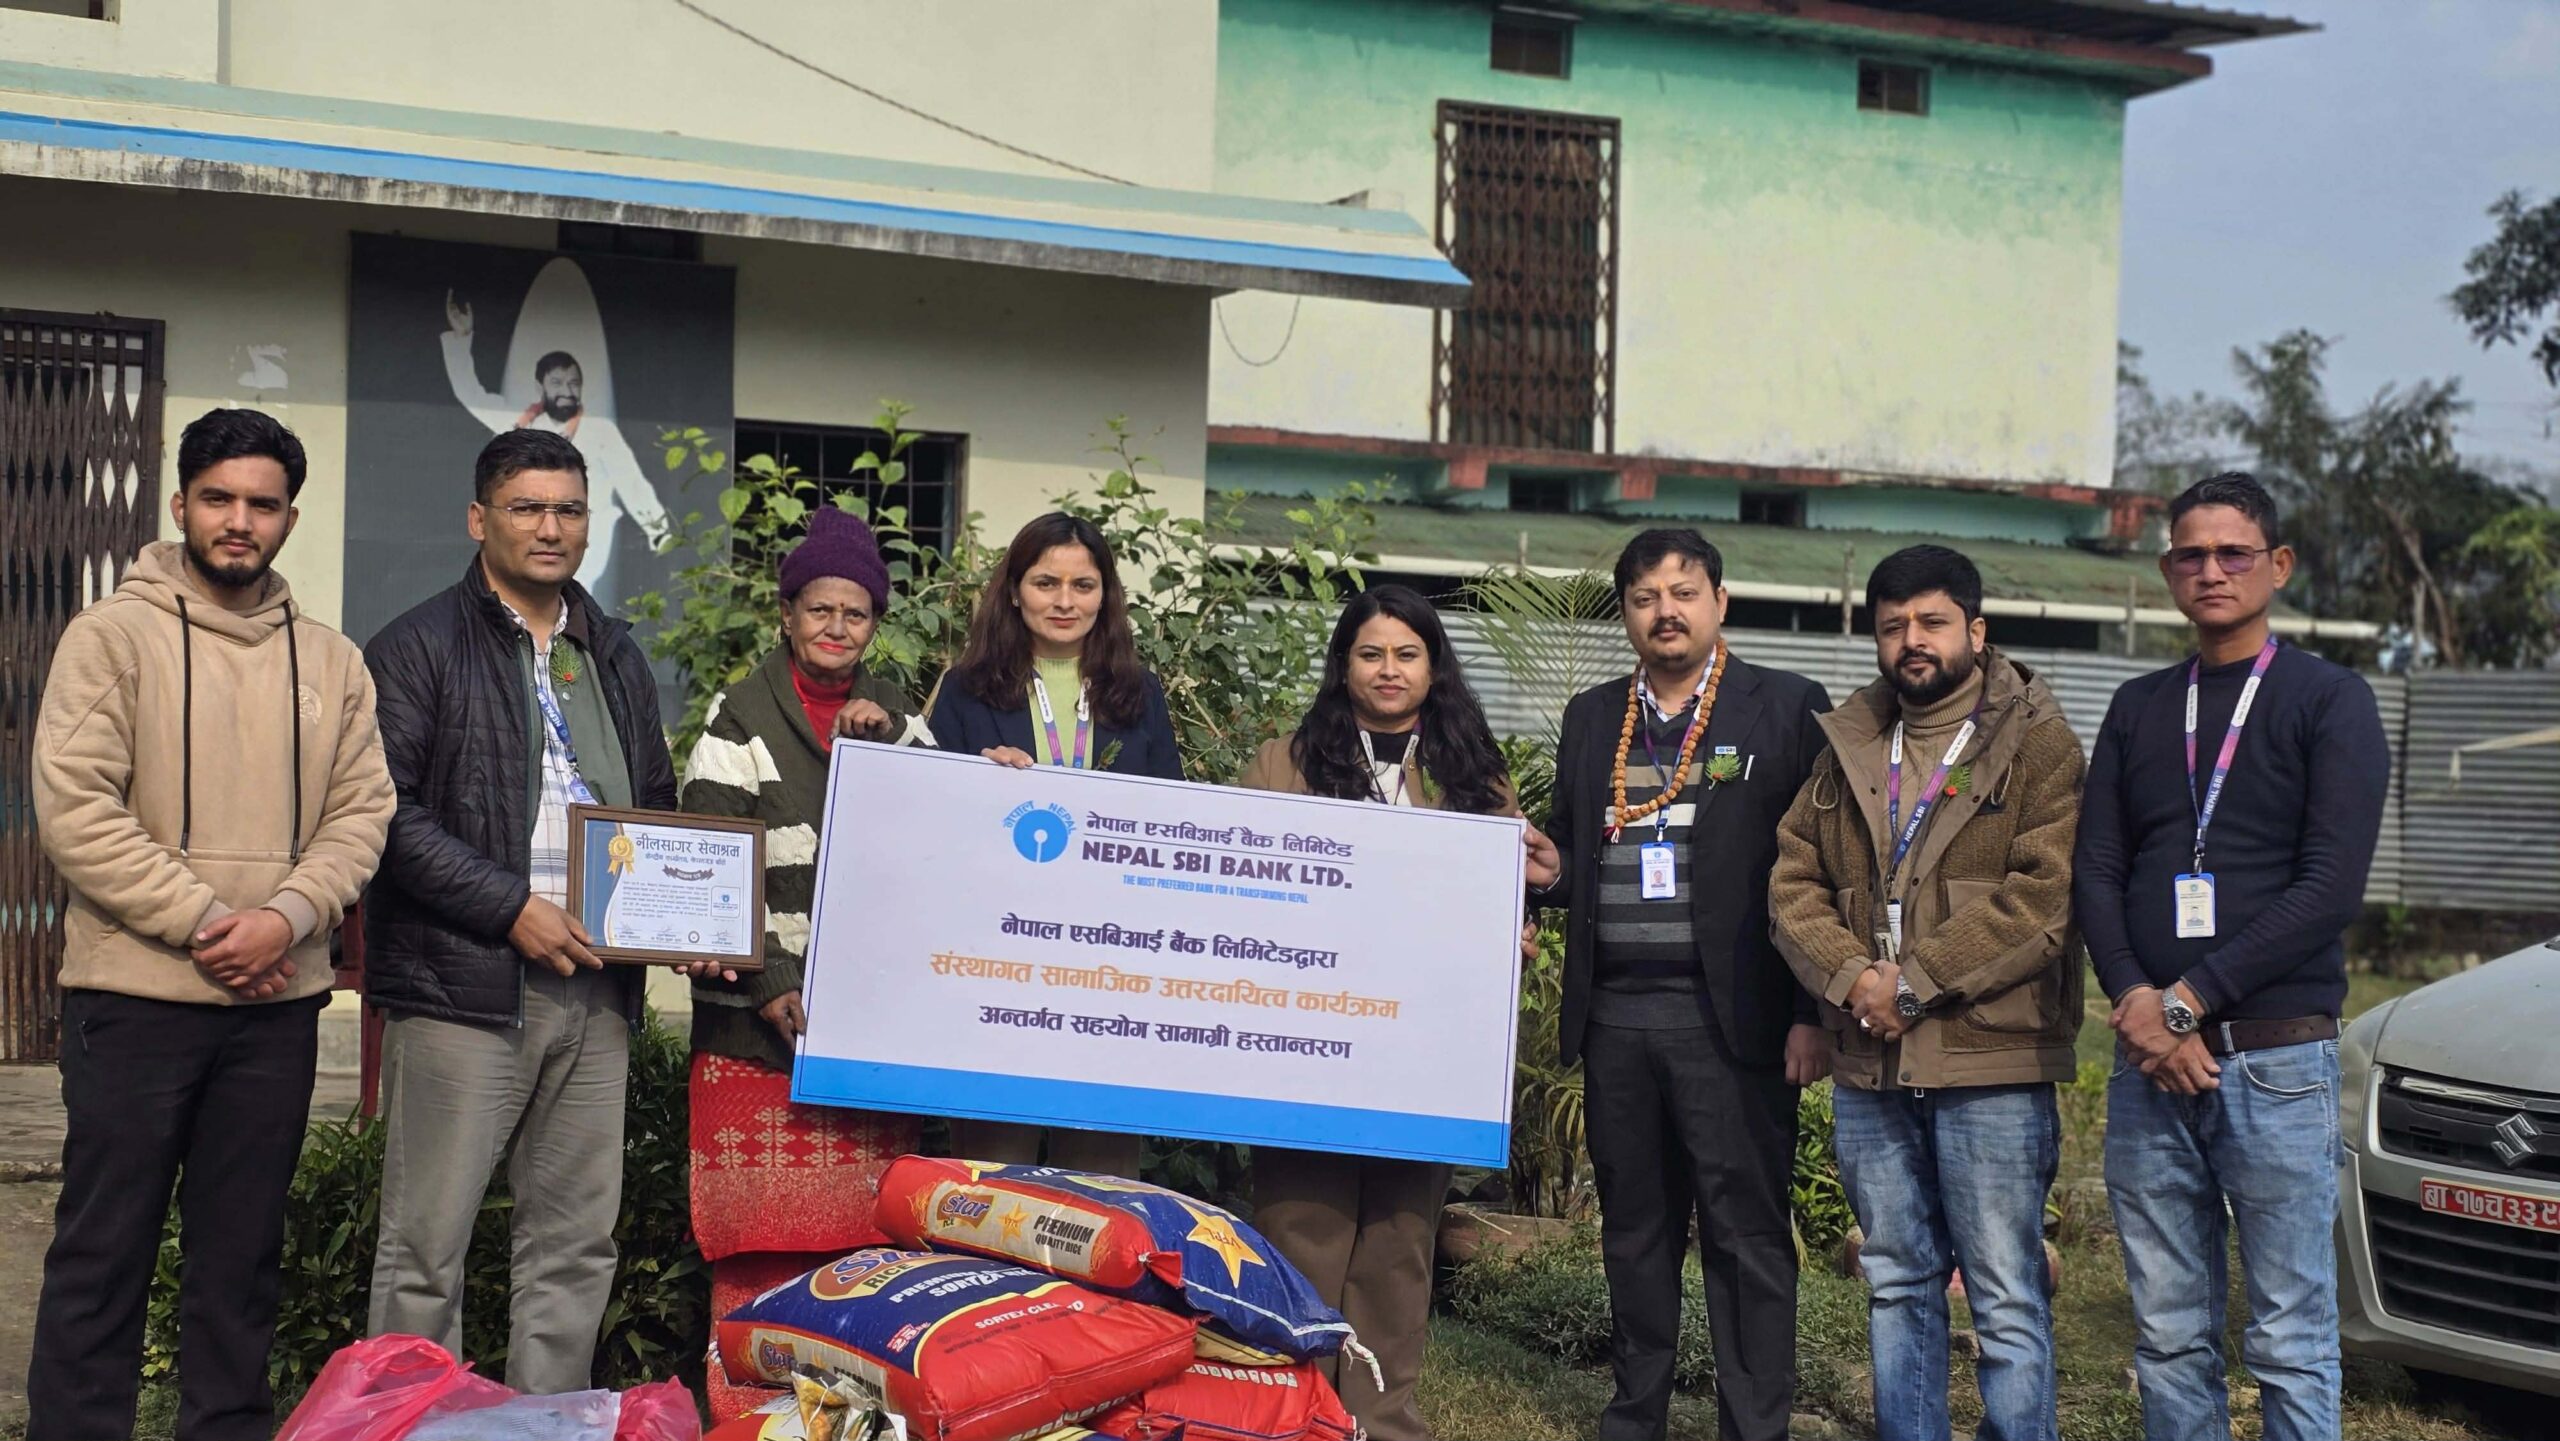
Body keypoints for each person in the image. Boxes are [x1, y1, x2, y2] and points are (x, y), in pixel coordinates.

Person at [27, 408, 395, 1441]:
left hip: (275, 1005)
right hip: (133, 997)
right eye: (219, 498)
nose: (240, 520)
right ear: (180, 502)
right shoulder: (111, 636)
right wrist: (206, 920)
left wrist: (287, 916)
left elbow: (363, 812)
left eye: (262, 504)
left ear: (289, 518)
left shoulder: (332, 662)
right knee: (104, 1253)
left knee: (241, 1262)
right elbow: (76, 808)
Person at [362, 428, 698, 1394]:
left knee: (575, 1243)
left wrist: (685, 920)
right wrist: (511, 907)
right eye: (527, 508)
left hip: (596, 988)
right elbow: (386, 814)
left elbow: (654, 806)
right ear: (480, 519)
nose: (551, 528)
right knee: (426, 1246)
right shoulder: (417, 646)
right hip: (465, 986)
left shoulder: (613, 652)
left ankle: (544, 1419)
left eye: (569, 510)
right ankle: (409, 1418)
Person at [2074, 472, 2386, 1441]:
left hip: (2275, 1062)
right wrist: (2137, 998)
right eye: (2190, 554)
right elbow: (2097, 870)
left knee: (2289, 1334)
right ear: (2168, 570)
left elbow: (2329, 887)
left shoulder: (2329, 700)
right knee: (2169, 1334)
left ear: (2277, 565)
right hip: (2147, 1068)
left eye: (2233, 553)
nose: (2210, 570)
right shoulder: (2139, 705)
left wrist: (2185, 1000)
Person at [1768, 545, 2085, 1441]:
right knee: (1898, 1280)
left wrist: (1911, 984)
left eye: (1932, 621)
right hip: (1872, 1065)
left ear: (1976, 632)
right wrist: (1853, 979)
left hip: (1991, 1063)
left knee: (2004, 1292)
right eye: (1893, 625)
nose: (1912, 639)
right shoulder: (1850, 746)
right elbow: (1792, 886)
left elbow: (2042, 900)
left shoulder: (2039, 742)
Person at [1521, 529, 1832, 1441]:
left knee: (1746, 1235)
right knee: (1635, 1231)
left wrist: (1812, 1011)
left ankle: (1754, 1424)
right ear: (1625, 613)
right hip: (1617, 1019)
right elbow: (1576, 852)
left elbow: (1823, 867)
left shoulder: (1785, 707)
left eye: (1684, 592)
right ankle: (1635, 1415)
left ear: (1719, 602)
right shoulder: (1593, 716)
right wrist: (1549, 870)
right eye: (1645, 597)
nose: (1666, 612)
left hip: (1730, 1021)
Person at [1237, 585, 1522, 1441]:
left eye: (1406, 654)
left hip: (1426, 1048)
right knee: (1300, 1229)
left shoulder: (1475, 774)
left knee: (1400, 1238)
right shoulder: (1282, 763)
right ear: (1344, 665)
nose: (1388, 670)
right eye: (1371, 653)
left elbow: (1505, 898)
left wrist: (1512, 925)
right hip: (1308, 1036)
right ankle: (1291, 1411)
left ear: (1434, 668)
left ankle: (1380, 1418)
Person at [677, 506, 936, 1419]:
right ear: (787, 615)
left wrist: (879, 752)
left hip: (866, 1044)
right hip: (751, 1040)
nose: (836, 626)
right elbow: (710, 864)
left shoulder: (901, 719)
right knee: (756, 1251)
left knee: (864, 1258)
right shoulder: (737, 719)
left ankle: (857, 1424)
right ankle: (749, 1422)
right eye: (819, 608)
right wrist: (772, 982)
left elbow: (933, 853)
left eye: (855, 613)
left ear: (874, 624)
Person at [927, 511, 1181, 1176]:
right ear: (1014, 591)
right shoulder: (965, 690)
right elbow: (931, 828)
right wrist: (979, 783)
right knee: (992, 1172)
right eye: (1046, 583)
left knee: (1100, 1179)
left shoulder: (1139, 694)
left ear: (1105, 596)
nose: (1065, 601)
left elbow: (1170, 821)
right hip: (998, 963)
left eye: (1082, 585)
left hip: (1109, 966)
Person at [442, 269, 667, 596]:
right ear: (540, 387)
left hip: (588, 551)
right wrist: (461, 338)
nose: (567, 390)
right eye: (558, 383)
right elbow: (471, 394)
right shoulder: (520, 426)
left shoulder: (600, 431)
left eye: (574, 383)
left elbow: (631, 482)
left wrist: (659, 530)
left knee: (575, 608)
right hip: (528, 559)